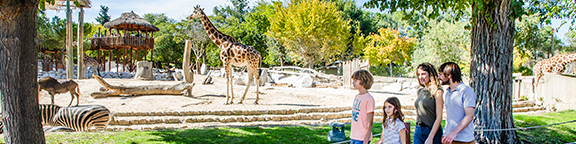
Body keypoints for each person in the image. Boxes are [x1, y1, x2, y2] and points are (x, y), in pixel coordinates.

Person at [438, 62, 476, 144]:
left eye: (440, 74)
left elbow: (469, 115)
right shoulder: (447, 92)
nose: (438, 77)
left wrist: (454, 133)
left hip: (464, 140)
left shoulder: (466, 91)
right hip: (448, 139)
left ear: (449, 75)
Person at [413, 63, 444, 144]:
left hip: (431, 131)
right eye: (419, 74)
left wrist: (431, 137)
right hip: (418, 130)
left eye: (423, 74)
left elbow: (439, 117)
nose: (420, 77)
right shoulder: (420, 91)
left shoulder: (438, 92)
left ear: (430, 74)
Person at [350, 69, 375, 144]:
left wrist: (365, 140)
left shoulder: (369, 99)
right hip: (354, 136)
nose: (353, 82)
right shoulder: (356, 97)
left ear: (363, 80)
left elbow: (369, 122)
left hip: (362, 138)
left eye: (355, 80)